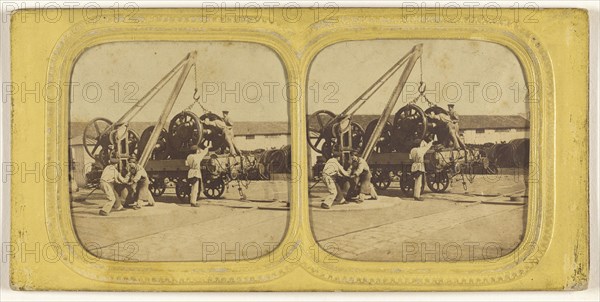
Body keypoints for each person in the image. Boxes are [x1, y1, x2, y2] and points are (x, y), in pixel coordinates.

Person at [409, 135, 435, 201]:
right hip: (419, 166)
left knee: (415, 180)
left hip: (414, 166)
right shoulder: (420, 150)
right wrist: (431, 142)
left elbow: (410, 158)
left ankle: (416, 195)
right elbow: (427, 147)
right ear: (419, 144)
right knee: (418, 182)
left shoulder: (412, 150)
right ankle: (417, 196)